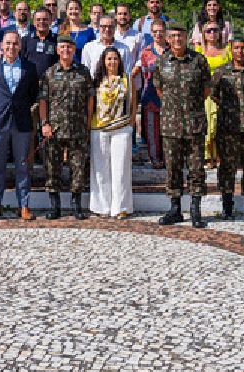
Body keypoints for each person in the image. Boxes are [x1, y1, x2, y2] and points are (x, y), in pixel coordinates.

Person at [153, 23, 213, 228]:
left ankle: (195, 209)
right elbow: (159, 90)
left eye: (181, 36)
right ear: (168, 39)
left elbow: (206, 89)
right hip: (171, 125)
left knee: (196, 169)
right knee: (173, 169)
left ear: (187, 37)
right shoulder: (161, 61)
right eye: (173, 36)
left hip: (194, 124)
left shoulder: (199, 60)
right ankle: (175, 209)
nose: (177, 40)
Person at [0, 31, 39, 220]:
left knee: (22, 165)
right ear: (2, 45)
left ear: (20, 46)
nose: (11, 47)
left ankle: (24, 205)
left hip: (22, 122)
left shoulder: (29, 68)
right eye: (8, 44)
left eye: (15, 44)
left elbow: (32, 94)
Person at [209, 37, 244, 222]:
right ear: (231, 50)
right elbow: (213, 95)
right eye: (236, 48)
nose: (240, 51)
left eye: (243, 48)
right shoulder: (221, 72)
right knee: (227, 168)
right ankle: (227, 207)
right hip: (228, 129)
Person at [38, 33, 94, 220]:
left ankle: (76, 205)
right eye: (62, 47)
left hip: (77, 127)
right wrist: (44, 123)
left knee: (78, 168)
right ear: (57, 50)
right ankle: (55, 206)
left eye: (69, 47)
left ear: (74, 50)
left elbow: (90, 98)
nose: (66, 50)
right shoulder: (50, 73)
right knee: (52, 168)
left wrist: (88, 121)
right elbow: (43, 100)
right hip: (55, 128)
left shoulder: (83, 72)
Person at [91, 47, 136, 219]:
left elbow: (133, 102)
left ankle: (121, 207)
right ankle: (102, 206)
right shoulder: (97, 80)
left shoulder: (127, 79)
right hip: (99, 128)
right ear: (103, 61)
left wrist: (131, 122)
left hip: (121, 127)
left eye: (115, 59)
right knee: (101, 169)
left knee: (121, 169)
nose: (112, 62)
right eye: (109, 59)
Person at [134, 20, 169, 168]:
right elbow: (142, 74)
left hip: (170, 96)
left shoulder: (173, 51)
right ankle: (154, 159)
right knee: (151, 130)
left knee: (168, 131)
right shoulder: (146, 52)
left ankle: (169, 159)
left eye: (161, 31)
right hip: (150, 95)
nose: (158, 34)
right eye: (155, 31)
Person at [197, 25, 231, 168]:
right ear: (203, 34)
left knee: (220, 126)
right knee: (207, 127)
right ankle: (206, 156)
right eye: (208, 31)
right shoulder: (198, 51)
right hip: (204, 93)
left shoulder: (227, 51)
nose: (212, 33)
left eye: (215, 30)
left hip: (222, 94)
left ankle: (219, 155)